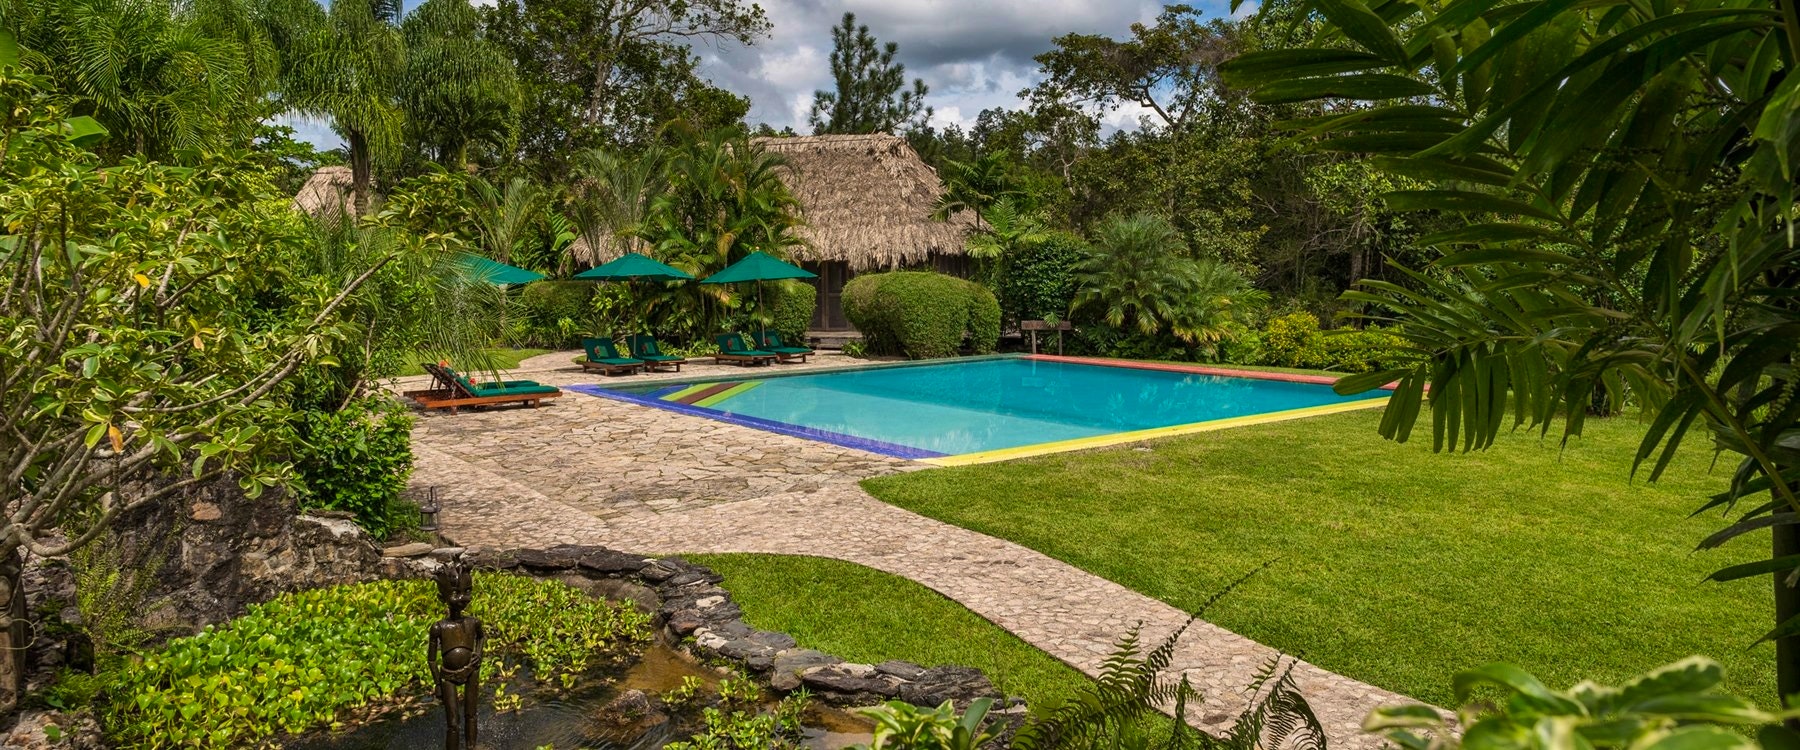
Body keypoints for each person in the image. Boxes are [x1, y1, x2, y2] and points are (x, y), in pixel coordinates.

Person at [427, 557, 485, 750]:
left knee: (471, 714)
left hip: (471, 671)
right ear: (442, 596)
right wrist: (437, 683)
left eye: (467, 592)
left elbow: (481, 637)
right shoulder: (439, 627)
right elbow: (431, 659)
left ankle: (471, 746)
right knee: (453, 723)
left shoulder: (473, 623)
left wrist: (478, 653)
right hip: (448, 677)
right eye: (455, 593)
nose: (462, 599)